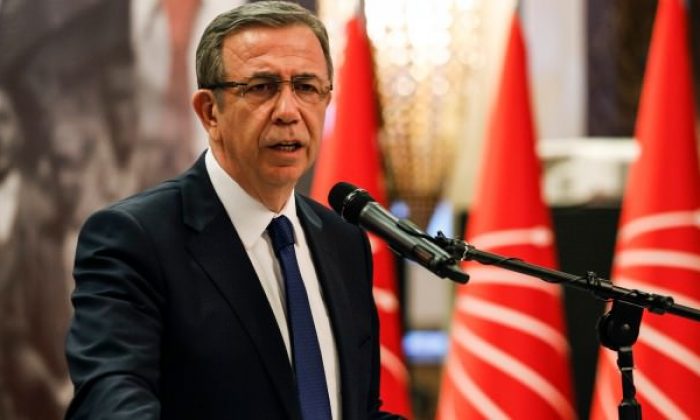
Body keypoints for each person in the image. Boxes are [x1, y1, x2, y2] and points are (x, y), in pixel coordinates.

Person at [65, 2, 402, 419]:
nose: (288, 111)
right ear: (210, 112)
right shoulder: (135, 238)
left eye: (306, 87)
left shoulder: (343, 241)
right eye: (261, 87)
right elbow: (109, 401)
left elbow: (357, 411)